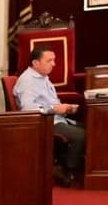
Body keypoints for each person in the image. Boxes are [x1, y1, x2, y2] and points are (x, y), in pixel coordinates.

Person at [13, 45, 85, 184]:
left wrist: (66, 109)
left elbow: (50, 102)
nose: (54, 64)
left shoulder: (43, 77)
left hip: (56, 118)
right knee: (82, 136)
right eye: (49, 60)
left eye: (54, 60)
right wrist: (55, 109)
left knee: (94, 131)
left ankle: (72, 166)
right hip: (43, 122)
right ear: (35, 63)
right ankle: (68, 171)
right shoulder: (28, 81)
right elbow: (28, 109)